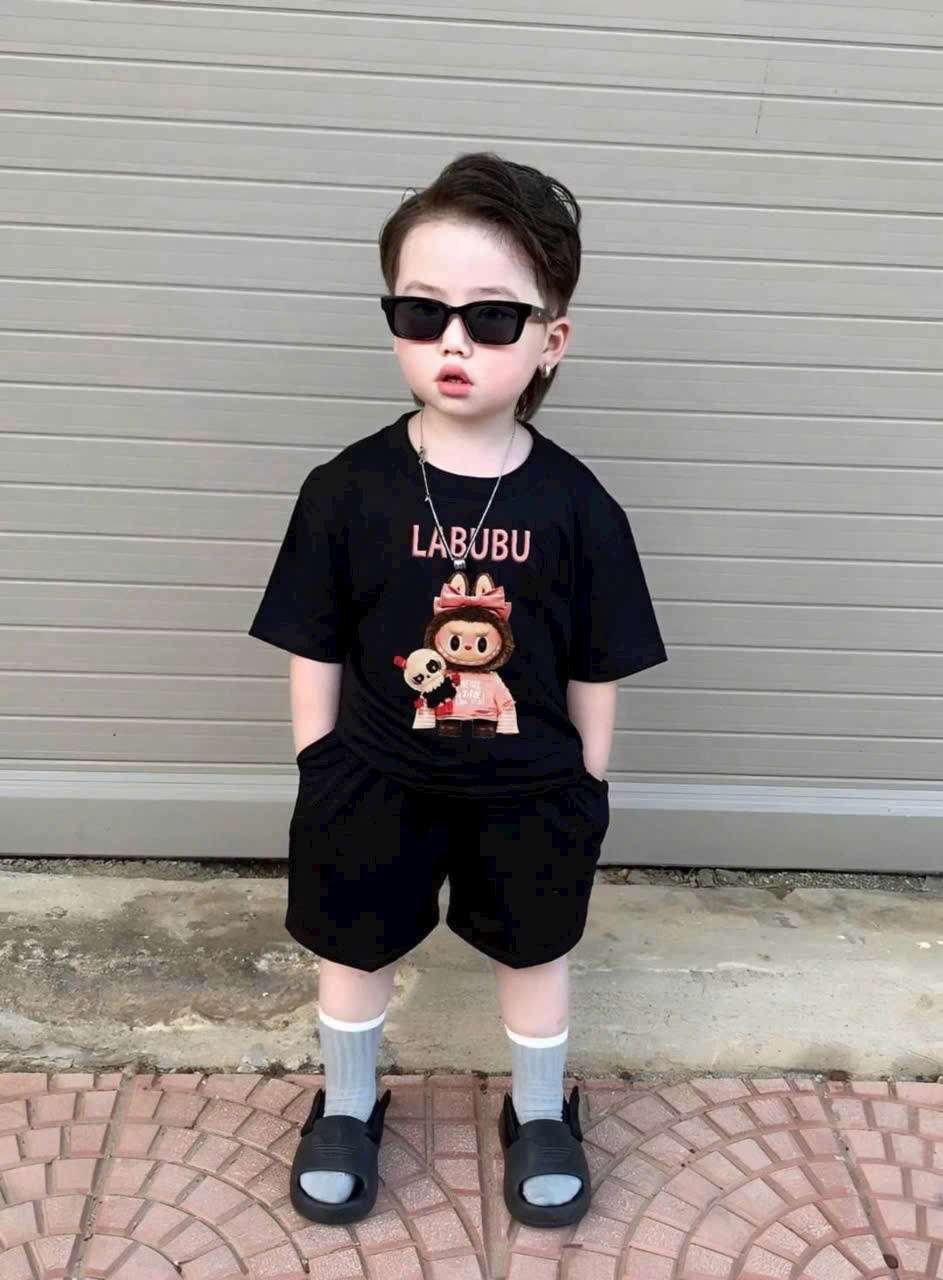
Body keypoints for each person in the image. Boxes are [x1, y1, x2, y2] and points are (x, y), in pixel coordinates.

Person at [248, 151, 668, 1228]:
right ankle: (348, 1103)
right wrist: (317, 762)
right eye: (420, 311)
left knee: (537, 950)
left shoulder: (579, 508)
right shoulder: (345, 489)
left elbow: (596, 662)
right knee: (352, 946)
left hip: (530, 787)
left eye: (490, 317)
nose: (452, 341)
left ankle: (540, 1109)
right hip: (372, 777)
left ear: (549, 340)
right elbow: (313, 640)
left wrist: (587, 782)